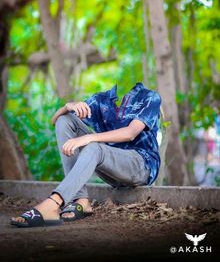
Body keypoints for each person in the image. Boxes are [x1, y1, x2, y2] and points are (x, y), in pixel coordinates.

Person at [10, 82, 162, 227]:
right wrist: (67, 106)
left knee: (93, 147)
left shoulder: (148, 96)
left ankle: (54, 203)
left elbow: (130, 133)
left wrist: (88, 137)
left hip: (141, 166)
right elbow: (54, 120)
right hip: (112, 168)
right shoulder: (102, 100)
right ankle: (81, 200)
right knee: (65, 120)